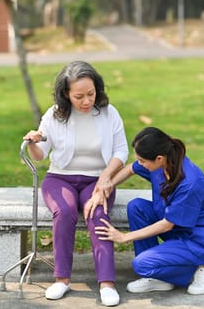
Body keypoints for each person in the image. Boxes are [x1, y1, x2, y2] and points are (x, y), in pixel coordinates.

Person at [23, 61, 129, 306]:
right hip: (60, 178)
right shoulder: (53, 115)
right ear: (66, 94)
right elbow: (40, 156)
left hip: (98, 180)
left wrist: (105, 178)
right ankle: (61, 279)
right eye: (79, 96)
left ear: (97, 89)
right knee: (65, 211)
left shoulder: (109, 112)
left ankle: (107, 283)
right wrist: (32, 143)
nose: (86, 101)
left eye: (90, 94)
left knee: (97, 211)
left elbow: (121, 152)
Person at [94, 127, 204, 295]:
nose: (139, 163)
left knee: (141, 264)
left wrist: (123, 237)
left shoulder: (189, 182)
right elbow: (130, 169)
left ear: (159, 158)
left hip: (200, 239)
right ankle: (158, 277)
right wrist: (108, 185)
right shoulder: (161, 165)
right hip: (179, 226)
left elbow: (166, 225)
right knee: (137, 207)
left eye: (142, 160)